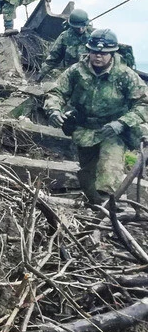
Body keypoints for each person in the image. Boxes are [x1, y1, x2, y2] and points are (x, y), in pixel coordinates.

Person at [45, 29, 148, 206]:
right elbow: (56, 92)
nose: (98, 56)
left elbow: (144, 103)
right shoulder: (76, 72)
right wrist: (53, 110)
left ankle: (109, 210)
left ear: (112, 53)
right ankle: (96, 207)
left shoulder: (125, 75)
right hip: (85, 130)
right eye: (94, 52)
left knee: (109, 169)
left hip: (114, 131)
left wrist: (122, 122)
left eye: (103, 53)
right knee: (87, 175)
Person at [40, 8, 91, 80]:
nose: (80, 30)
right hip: (69, 75)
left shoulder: (94, 36)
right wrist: (40, 76)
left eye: (83, 27)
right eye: (77, 28)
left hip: (89, 76)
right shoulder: (64, 37)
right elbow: (52, 59)